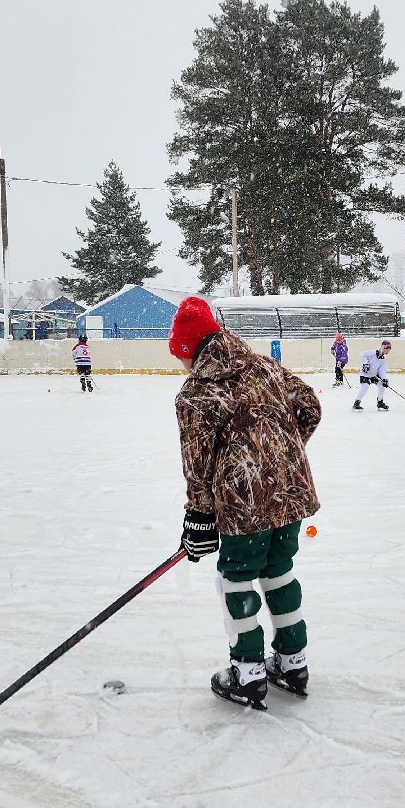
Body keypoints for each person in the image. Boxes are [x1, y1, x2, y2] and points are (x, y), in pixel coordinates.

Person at [169, 296, 321, 710]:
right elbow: (309, 406)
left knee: (236, 577)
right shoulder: (264, 366)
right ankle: (293, 663)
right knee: (279, 572)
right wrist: (278, 458)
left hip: (244, 506)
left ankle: (248, 672)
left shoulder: (197, 393)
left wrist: (199, 516)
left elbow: (198, 465)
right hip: (289, 496)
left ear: (186, 349)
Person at [353, 340, 393, 411]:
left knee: (381, 386)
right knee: (365, 387)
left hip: (374, 376)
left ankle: (380, 403)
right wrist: (365, 364)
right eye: (387, 349)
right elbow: (362, 354)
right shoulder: (372, 353)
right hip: (365, 374)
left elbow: (382, 371)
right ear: (383, 347)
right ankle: (356, 403)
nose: (387, 352)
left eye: (389, 350)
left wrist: (384, 379)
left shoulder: (383, 360)